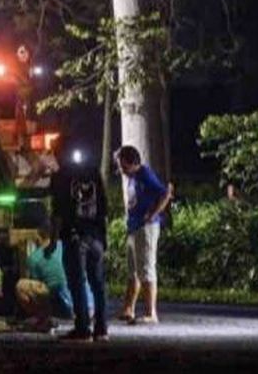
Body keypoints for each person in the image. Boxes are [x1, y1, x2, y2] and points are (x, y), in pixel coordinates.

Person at [49, 151, 109, 342]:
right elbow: (104, 208)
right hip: (96, 235)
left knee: (77, 283)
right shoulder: (94, 173)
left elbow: (57, 213)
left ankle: (82, 328)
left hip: (74, 237)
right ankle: (101, 329)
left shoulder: (60, 177)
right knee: (97, 284)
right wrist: (104, 238)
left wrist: (53, 241)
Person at [116, 145, 174, 324]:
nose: (121, 169)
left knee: (146, 269)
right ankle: (129, 309)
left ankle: (151, 313)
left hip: (145, 228)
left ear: (132, 162)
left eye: (122, 165)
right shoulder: (133, 177)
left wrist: (153, 214)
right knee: (133, 271)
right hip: (134, 227)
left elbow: (165, 193)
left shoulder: (145, 174)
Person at [15, 214, 92, 332]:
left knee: (21, 286)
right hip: (88, 306)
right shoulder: (68, 248)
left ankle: (43, 319)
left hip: (66, 307)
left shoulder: (34, 258)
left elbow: (39, 284)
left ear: (38, 235)